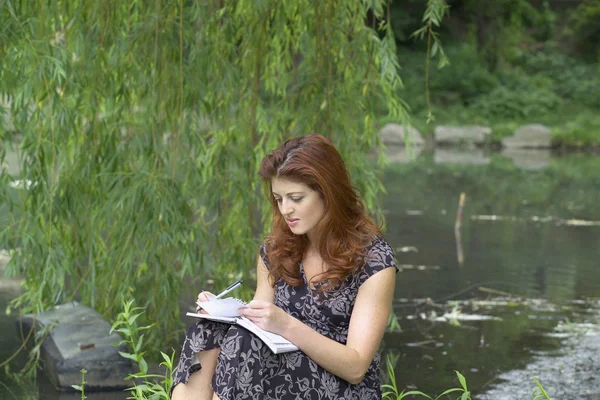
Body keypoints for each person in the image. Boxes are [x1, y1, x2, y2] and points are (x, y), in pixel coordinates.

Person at [171, 134, 397, 400]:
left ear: (329, 193)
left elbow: (356, 367)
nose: (285, 209)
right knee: (208, 329)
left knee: (245, 344)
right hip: (278, 370)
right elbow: (257, 321)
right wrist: (222, 312)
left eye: (296, 198)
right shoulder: (276, 249)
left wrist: (287, 325)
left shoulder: (373, 260)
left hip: (340, 385)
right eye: (279, 199)